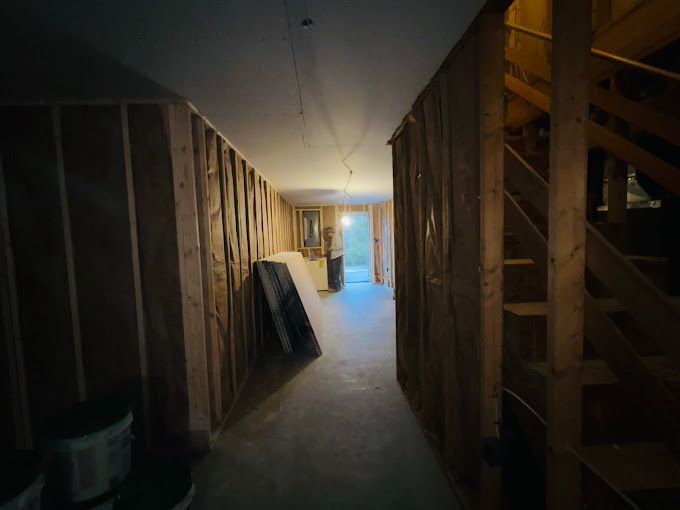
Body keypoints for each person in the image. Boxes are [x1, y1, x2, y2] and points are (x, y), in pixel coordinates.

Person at [324, 226, 344, 292]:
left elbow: (339, 246)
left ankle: (337, 288)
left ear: (331, 232)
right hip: (335, 257)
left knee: (336, 273)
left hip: (337, 257)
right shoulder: (334, 237)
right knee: (335, 273)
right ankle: (338, 287)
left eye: (328, 233)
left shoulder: (336, 237)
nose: (327, 234)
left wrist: (331, 248)